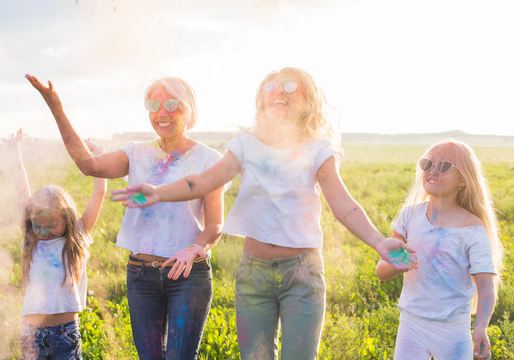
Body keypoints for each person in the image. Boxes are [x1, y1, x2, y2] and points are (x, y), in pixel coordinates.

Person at [112, 67, 417, 360]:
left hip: (302, 273)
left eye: (288, 87)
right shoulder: (246, 144)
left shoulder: (318, 149)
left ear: (307, 99)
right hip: (253, 274)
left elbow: (343, 204)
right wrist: (158, 192)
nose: (278, 92)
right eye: (271, 87)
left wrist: (379, 242)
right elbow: (204, 181)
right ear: (262, 100)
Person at [25, 74, 224, 360]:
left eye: (171, 104)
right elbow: (88, 165)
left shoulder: (210, 160)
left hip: (188, 276)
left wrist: (197, 247)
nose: (161, 113)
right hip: (141, 274)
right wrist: (55, 105)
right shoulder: (136, 152)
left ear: (189, 109)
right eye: (153, 105)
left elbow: (216, 224)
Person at [375, 140, 502, 360]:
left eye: (443, 166)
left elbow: (486, 286)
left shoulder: (472, 228)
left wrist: (480, 327)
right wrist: (396, 264)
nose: (432, 171)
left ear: (463, 180)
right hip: (412, 324)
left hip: (452, 330)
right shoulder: (410, 215)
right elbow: (380, 270)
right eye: (427, 164)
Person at [9, 129, 106, 359]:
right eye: (37, 225)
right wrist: (15, 149)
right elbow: (22, 191)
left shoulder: (77, 238)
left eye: (51, 225)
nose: (43, 232)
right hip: (31, 333)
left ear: (66, 218)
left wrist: (99, 156)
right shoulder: (32, 240)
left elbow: (99, 193)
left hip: (65, 333)